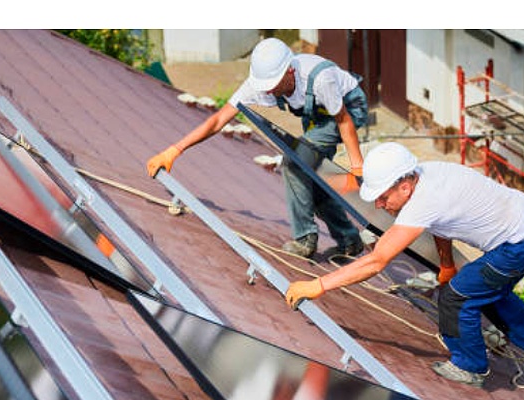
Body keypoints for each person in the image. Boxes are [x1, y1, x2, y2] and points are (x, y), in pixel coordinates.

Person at [285, 142, 524, 388]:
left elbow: (376, 261)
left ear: (404, 186)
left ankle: (470, 367)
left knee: (458, 296)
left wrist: (318, 285)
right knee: (480, 287)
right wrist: (446, 265)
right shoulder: (426, 175)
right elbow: (442, 226)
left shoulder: (424, 200)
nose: (381, 205)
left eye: (384, 197)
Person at [146, 37, 368, 260]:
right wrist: (175, 150)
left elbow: (344, 121)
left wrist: (357, 167)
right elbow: (218, 120)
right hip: (317, 117)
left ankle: (305, 239)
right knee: (310, 178)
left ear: (290, 71)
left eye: (273, 85)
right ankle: (349, 240)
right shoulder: (259, 84)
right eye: (266, 86)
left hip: (348, 108)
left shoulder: (320, 79)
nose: (269, 92)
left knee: (294, 163)